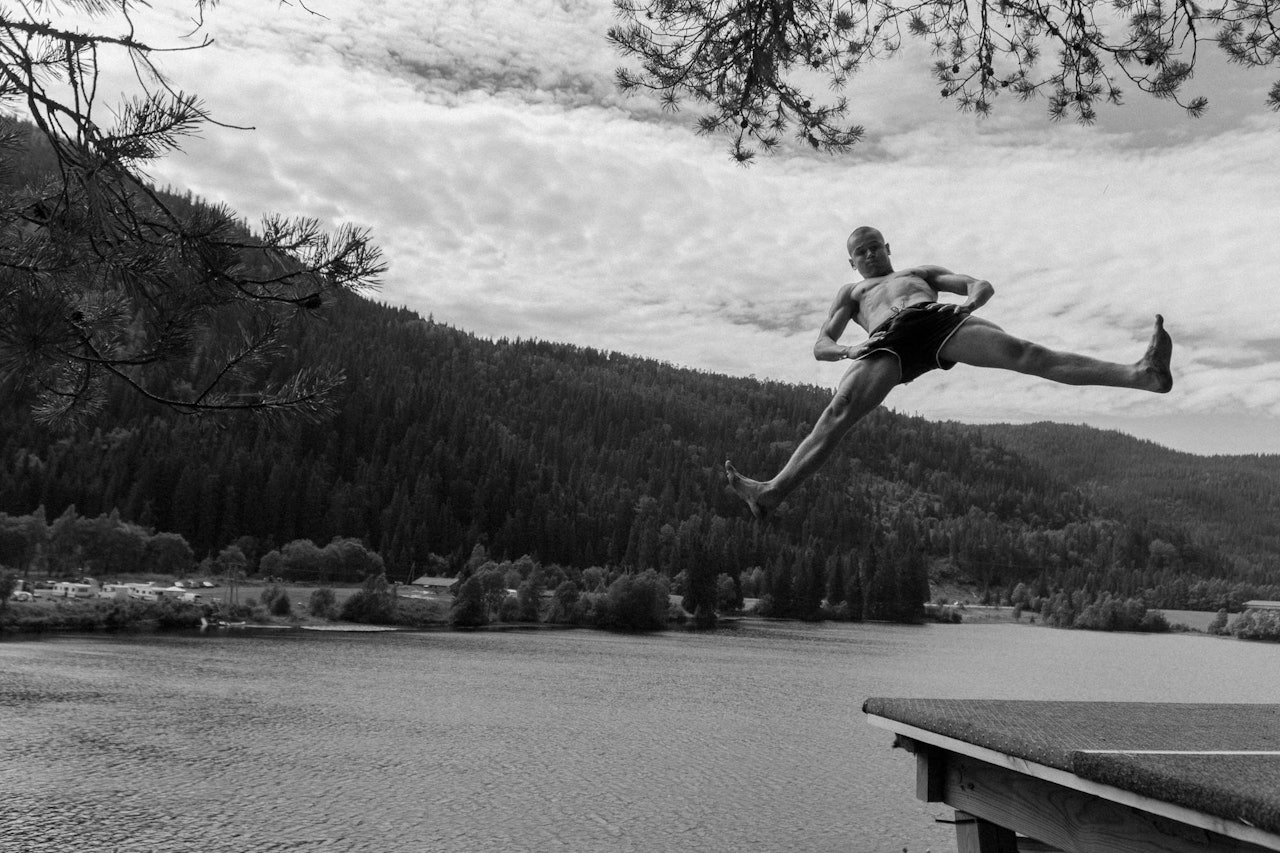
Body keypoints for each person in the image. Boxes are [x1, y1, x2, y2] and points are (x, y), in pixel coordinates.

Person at [725, 225, 1173, 519]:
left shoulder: (922, 271)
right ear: (851, 262)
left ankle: (1141, 375)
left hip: (936, 319)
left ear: (887, 248)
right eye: (859, 252)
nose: (868, 254)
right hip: (884, 340)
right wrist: (846, 351)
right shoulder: (852, 291)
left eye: (875, 246)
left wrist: (975, 298)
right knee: (839, 411)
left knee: (1025, 352)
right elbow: (821, 343)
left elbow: (976, 282)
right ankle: (772, 492)